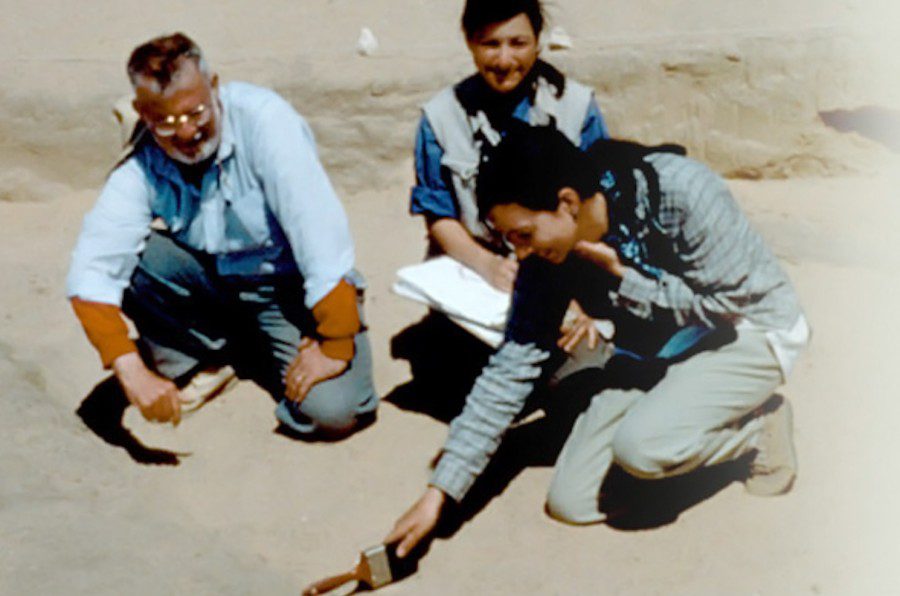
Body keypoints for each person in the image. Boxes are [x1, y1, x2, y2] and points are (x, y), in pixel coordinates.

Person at [387, 124, 810, 554]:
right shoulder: (547, 256)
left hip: (747, 331)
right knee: (571, 501)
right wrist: (438, 496)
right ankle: (678, 425)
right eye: (509, 240)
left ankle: (758, 429)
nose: (519, 254)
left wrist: (624, 279)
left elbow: (728, 304)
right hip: (659, 350)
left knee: (642, 449)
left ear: (567, 203)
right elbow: (511, 367)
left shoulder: (681, 189)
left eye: (524, 235)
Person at [66, 33, 376, 439]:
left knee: (333, 411)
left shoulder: (265, 122)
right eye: (165, 121)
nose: (187, 132)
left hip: (288, 286)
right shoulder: (141, 164)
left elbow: (321, 241)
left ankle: (258, 347)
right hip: (215, 282)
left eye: (196, 112)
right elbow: (91, 271)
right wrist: (128, 367)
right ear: (143, 114)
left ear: (214, 88)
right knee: (135, 260)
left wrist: (335, 343)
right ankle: (206, 357)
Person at [410, 0, 609, 295]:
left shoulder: (576, 107)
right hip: (475, 273)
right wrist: (487, 265)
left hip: (564, 265)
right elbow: (439, 214)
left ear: (537, 42)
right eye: (491, 44)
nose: (504, 61)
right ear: (470, 43)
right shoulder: (440, 118)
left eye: (518, 44)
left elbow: (600, 206)